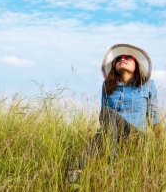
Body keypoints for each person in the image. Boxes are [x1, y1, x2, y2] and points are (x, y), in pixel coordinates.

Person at [68, 43, 160, 183]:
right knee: (102, 125)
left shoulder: (147, 85)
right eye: (119, 58)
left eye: (128, 57)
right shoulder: (107, 86)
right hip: (112, 136)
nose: (122, 59)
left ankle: (111, 162)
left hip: (136, 137)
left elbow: (153, 117)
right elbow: (103, 118)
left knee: (107, 114)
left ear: (136, 64)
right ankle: (74, 175)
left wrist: (159, 146)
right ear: (114, 66)